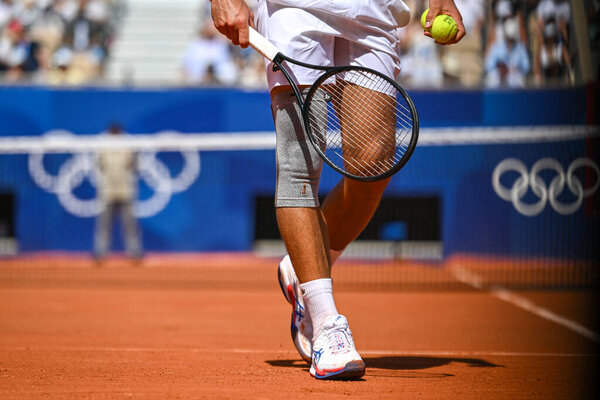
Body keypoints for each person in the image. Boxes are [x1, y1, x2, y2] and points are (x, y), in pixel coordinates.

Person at [211, 0, 464, 380]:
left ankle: (305, 271)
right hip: (292, 9)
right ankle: (326, 323)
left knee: (373, 165)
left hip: (373, 9)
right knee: (300, 163)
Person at [94, 123, 142, 263]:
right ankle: (100, 253)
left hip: (126, 191)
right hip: (107, 191)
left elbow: (136, 166)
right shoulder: (101, 145)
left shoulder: (129, 144)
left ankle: (134, 253)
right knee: (104, 224)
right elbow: (98, 167)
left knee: (130, 225)